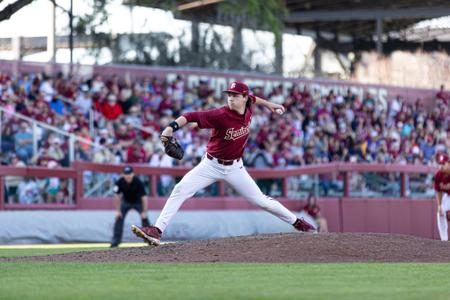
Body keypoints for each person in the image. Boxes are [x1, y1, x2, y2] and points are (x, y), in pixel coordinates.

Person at [131, 81, 315, 246]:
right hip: (210, 165)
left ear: (244, 98)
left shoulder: (248, 104)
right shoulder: (220, 114)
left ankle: (297, 222)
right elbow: (190, 115)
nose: (231, 99)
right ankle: (157, 230)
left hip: (236, 168)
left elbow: (254, 98)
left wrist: (270, 105)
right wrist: (170, 128)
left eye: (235, 96)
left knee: (262, 201)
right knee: (180, 190)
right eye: (229, 95)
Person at [111, 166, 150, 248]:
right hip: (126, 201)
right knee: (118, 217)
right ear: (123, 175)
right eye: (126, 174)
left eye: (129, 174)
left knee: (145, 218)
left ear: (133, 174)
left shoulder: (138, 182)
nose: (128, 176)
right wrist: (118, 211)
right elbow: (117, 196)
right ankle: (115, 241)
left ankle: (149, 239)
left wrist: (144, 212)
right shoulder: (120, 182)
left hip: (137, 201)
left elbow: (144, 197)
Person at [435, 153, 450, 241]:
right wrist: (439, 205)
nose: (441, 166)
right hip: (448, 196)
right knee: (440, 212)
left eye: (443, 163)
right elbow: (438, 191)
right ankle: (444, 240)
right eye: (439, 163)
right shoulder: (438, 175)